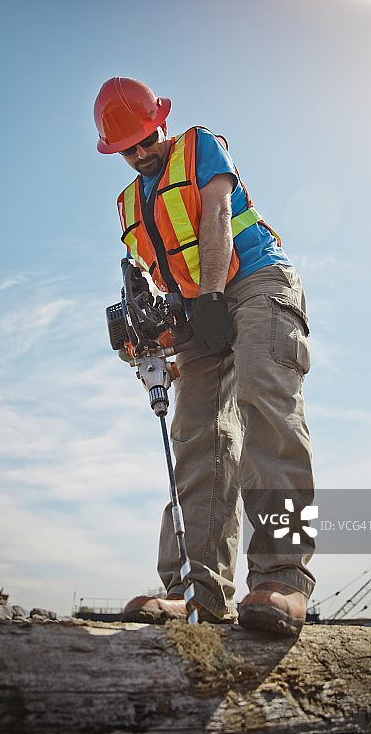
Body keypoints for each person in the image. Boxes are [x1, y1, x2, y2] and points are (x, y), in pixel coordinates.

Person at [94, 77, 315, 637]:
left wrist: (213, 295)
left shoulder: (198, 147)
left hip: (254, 281)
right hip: (196, 309)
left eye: (147, 140)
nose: (142, 154)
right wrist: (151, 336)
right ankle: (195, 590)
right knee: (195, 437)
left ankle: (284, 577)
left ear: (160, 123)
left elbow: (215, 214)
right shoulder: (127, 205)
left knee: (267, 407)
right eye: (129, 149)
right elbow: (145, 280)